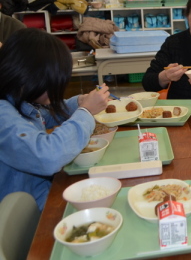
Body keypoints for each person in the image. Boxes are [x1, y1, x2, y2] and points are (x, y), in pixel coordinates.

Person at [0, 28, 111, 211]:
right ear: (31, 77)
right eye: (54, 83)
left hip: (40, 195)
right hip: (29, 215)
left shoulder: (17, 100)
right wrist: (86, 112)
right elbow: (47, 156)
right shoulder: (3, 115)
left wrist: (78, 103)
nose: (58, 89)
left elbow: (44, 116)